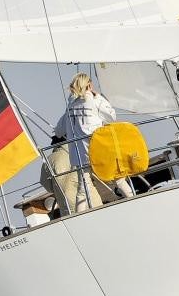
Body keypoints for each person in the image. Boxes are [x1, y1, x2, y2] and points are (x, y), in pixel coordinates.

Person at [48, 73, 133, 214]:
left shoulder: (70, 109)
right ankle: (132, 199)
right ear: (89, 85)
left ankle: (78, 216)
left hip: (80, 156)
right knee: (118, 178)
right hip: (98, 150)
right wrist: (98, 96)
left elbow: (58, 131)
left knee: (83, 187)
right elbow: (111, 116)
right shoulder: (94, 101)